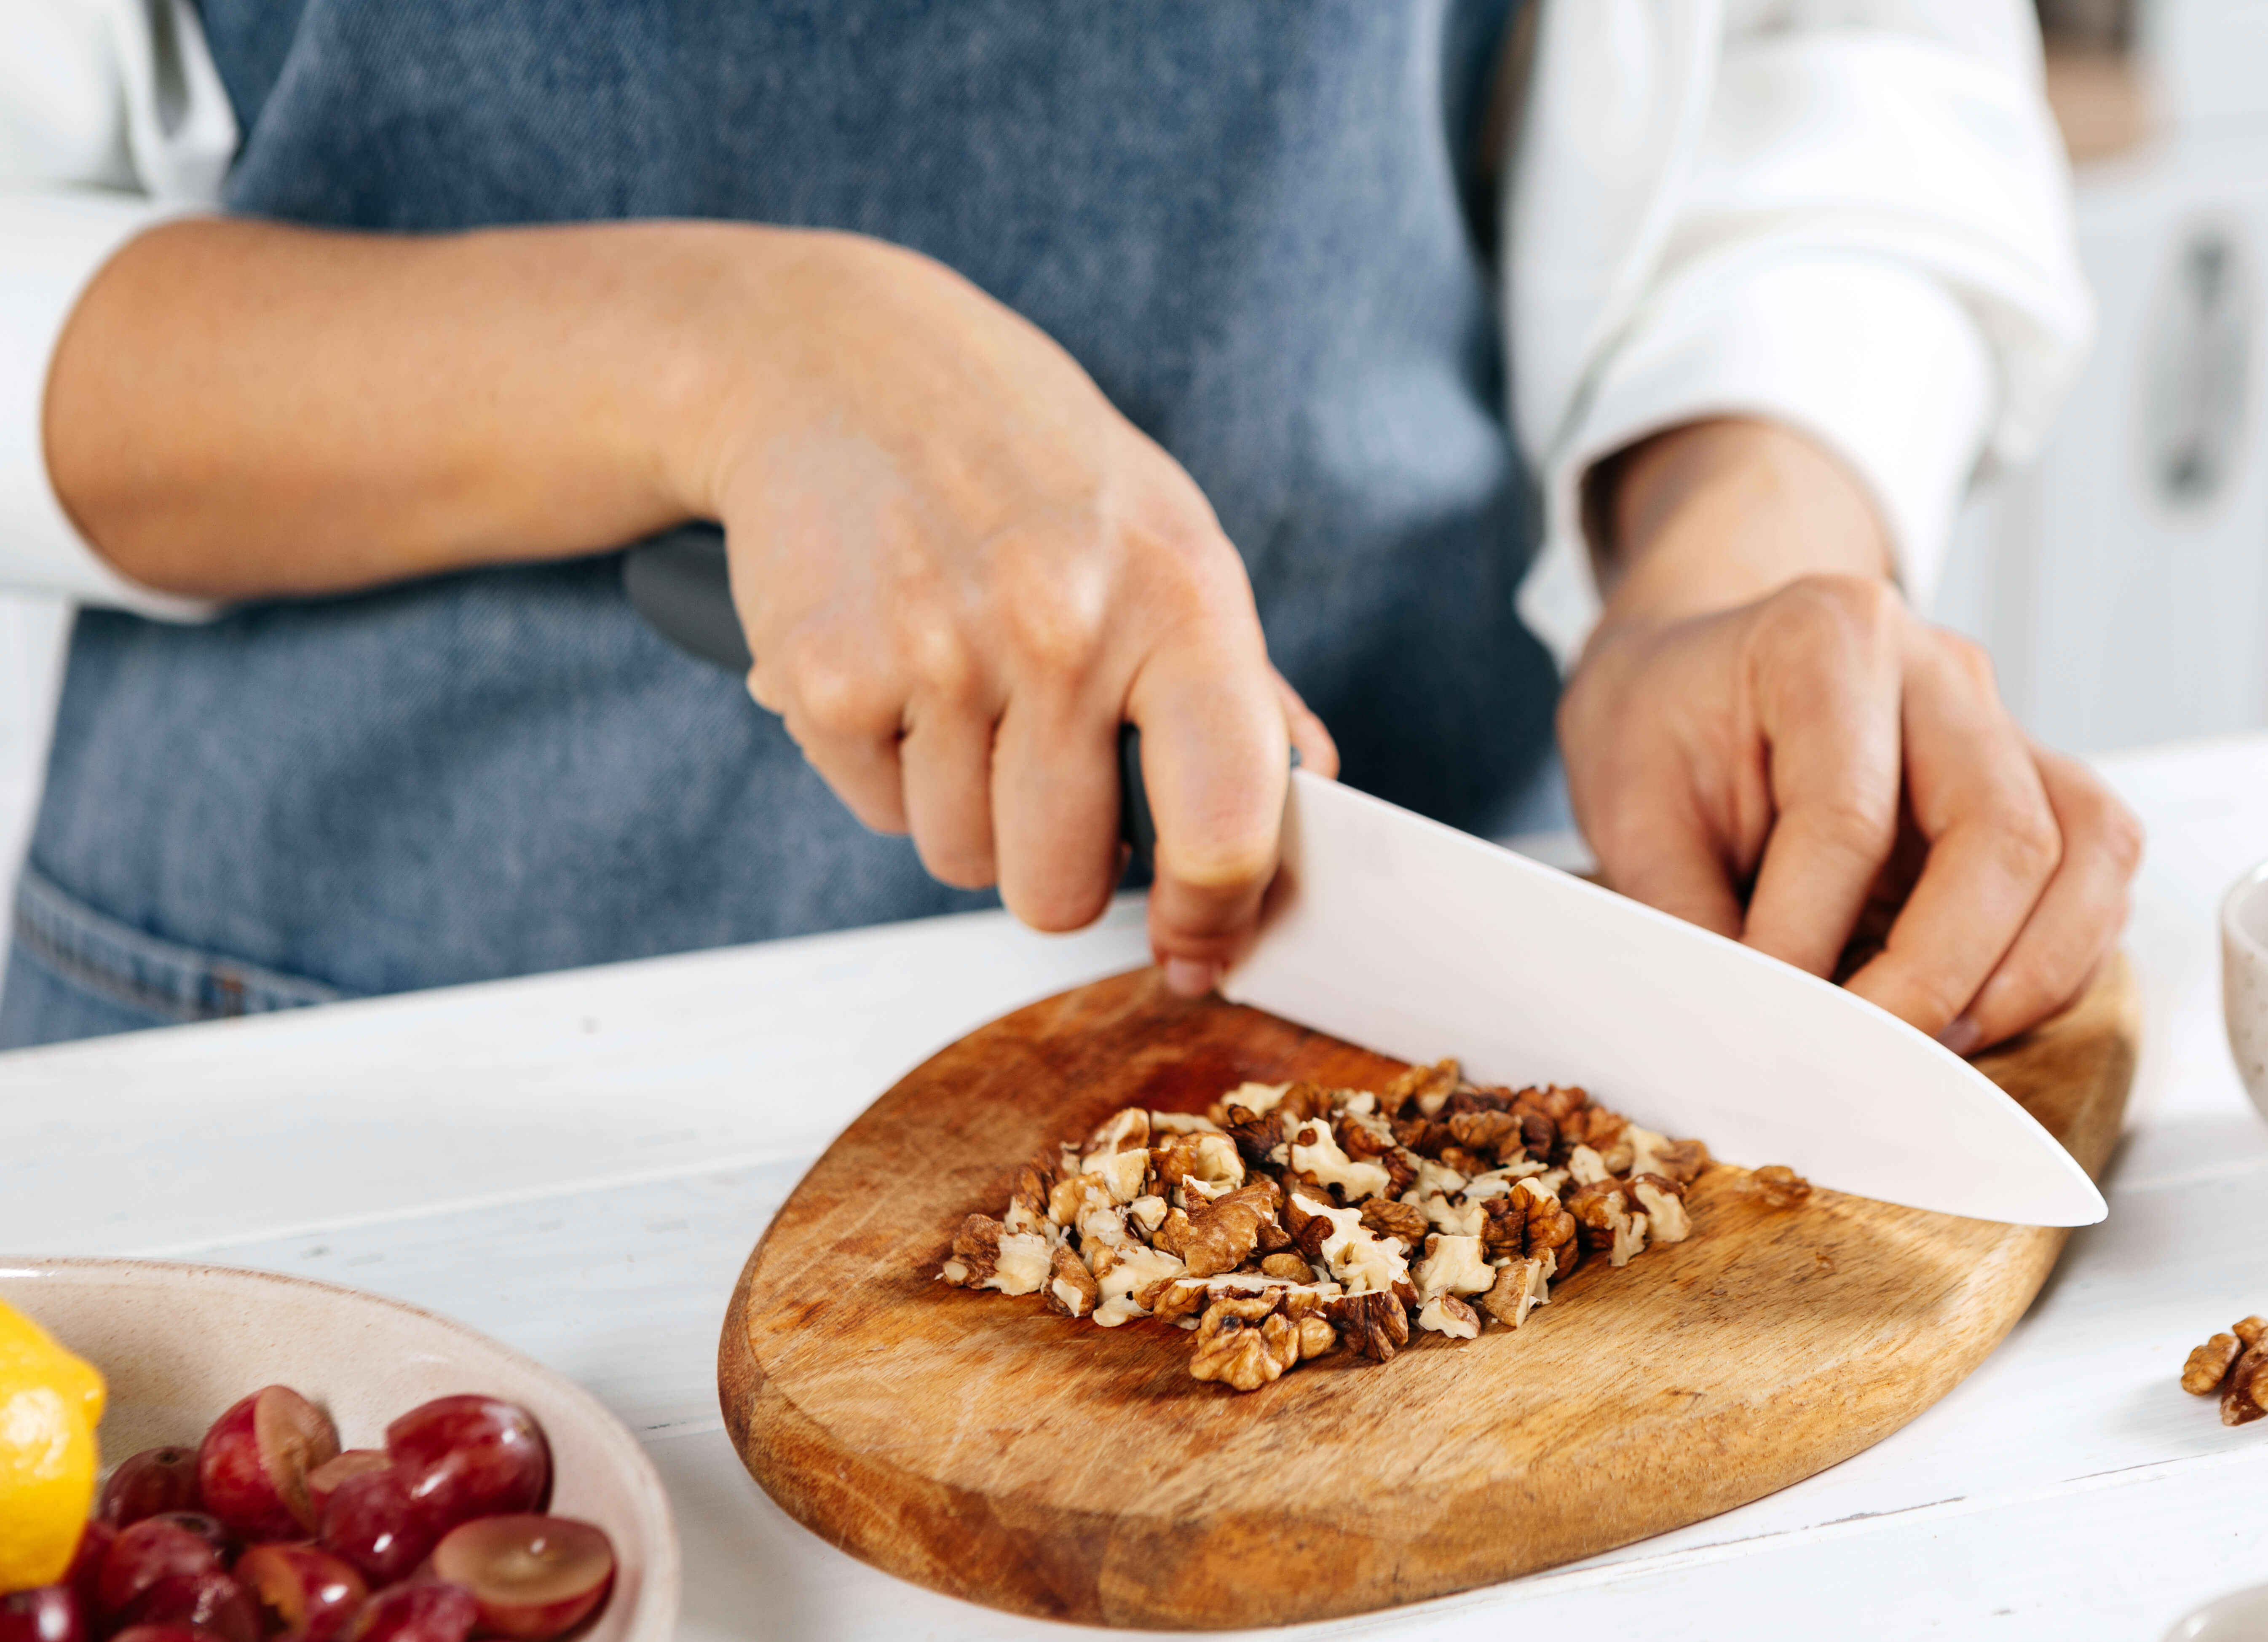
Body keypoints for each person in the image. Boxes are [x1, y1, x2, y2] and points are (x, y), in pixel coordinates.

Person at [0, 0, 2138, 1055]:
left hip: (1396, 981)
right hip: (354, 1055)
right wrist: (725, 350)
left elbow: (1816, 49)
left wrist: (1739, 549)